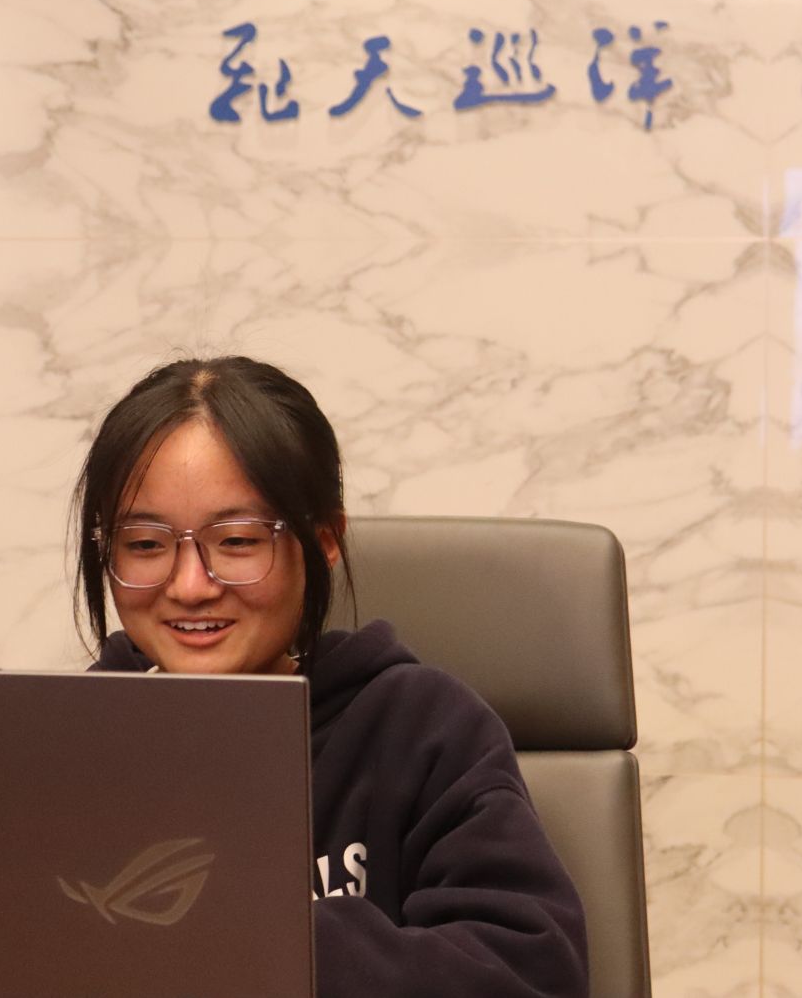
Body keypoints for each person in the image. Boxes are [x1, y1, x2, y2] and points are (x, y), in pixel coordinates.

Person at [73, 355, 589, 998]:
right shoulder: (66, 744)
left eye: (237, 540)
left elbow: (530, 970)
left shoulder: (422, 727)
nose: (191, 586)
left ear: (323, 541)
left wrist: (248, 934)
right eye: (146, 544)